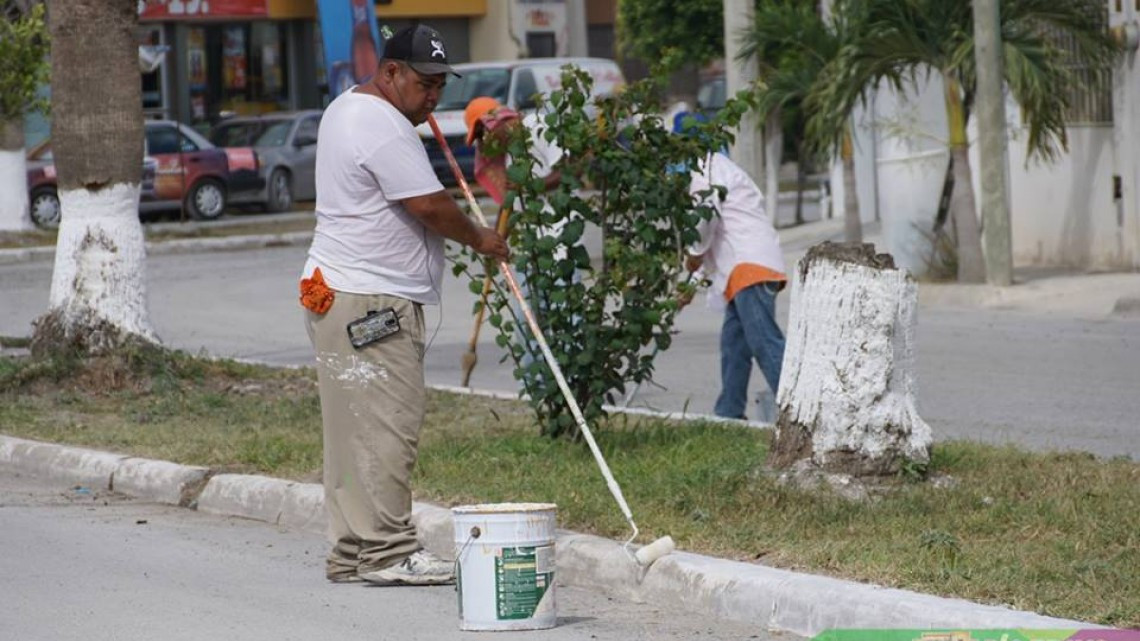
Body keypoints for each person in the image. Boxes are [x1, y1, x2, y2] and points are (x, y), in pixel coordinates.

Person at [299, 24, 508, 586]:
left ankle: (351, 551)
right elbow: (430, 205)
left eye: (441, 85)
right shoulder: (383, 126)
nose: (434, 97)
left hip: (338, 291)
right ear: (390, 73)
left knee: (350, 429)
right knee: (389, 426)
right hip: (371, 302)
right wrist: (482, 240)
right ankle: (389, 550)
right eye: (424, 83)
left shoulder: (348, 109)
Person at [681, 150, 787, 421]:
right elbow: (715, 238)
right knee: (734, 346)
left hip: (749, 267)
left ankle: (798, 409)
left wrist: (693, 252)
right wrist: (690, 285)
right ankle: (729, 412)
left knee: (764, 342)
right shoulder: (719, 169)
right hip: (743, 270)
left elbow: (706, 215)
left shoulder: (706, 169)